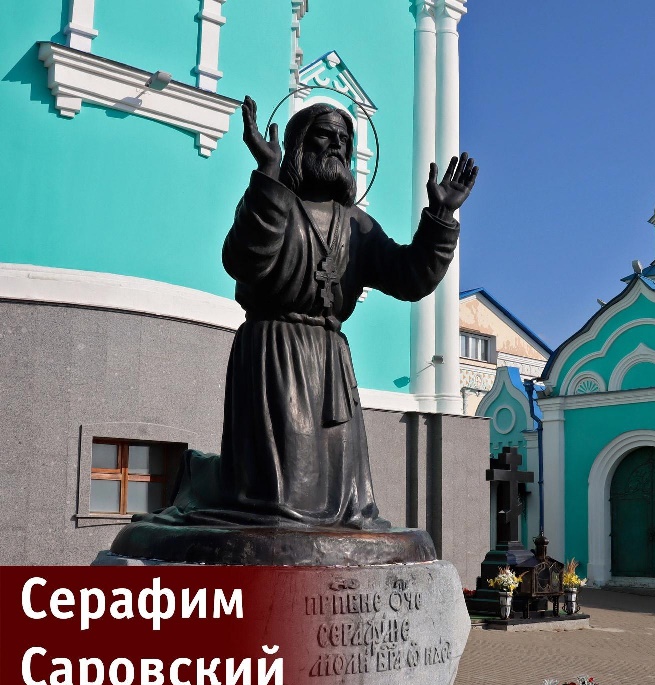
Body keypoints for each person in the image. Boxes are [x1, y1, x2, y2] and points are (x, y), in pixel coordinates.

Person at [143, 97, 477, 530]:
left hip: (331, 360)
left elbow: (410, 277)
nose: (336, 144)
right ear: (300, 143)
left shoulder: (356, 224)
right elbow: (244, 261)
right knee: (281, 494)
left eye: (344, 139)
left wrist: (440, 216)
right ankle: (211, 484)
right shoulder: (274, 201)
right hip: (276, 349)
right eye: (325, 134)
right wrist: (268, 174)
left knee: (341, 497)